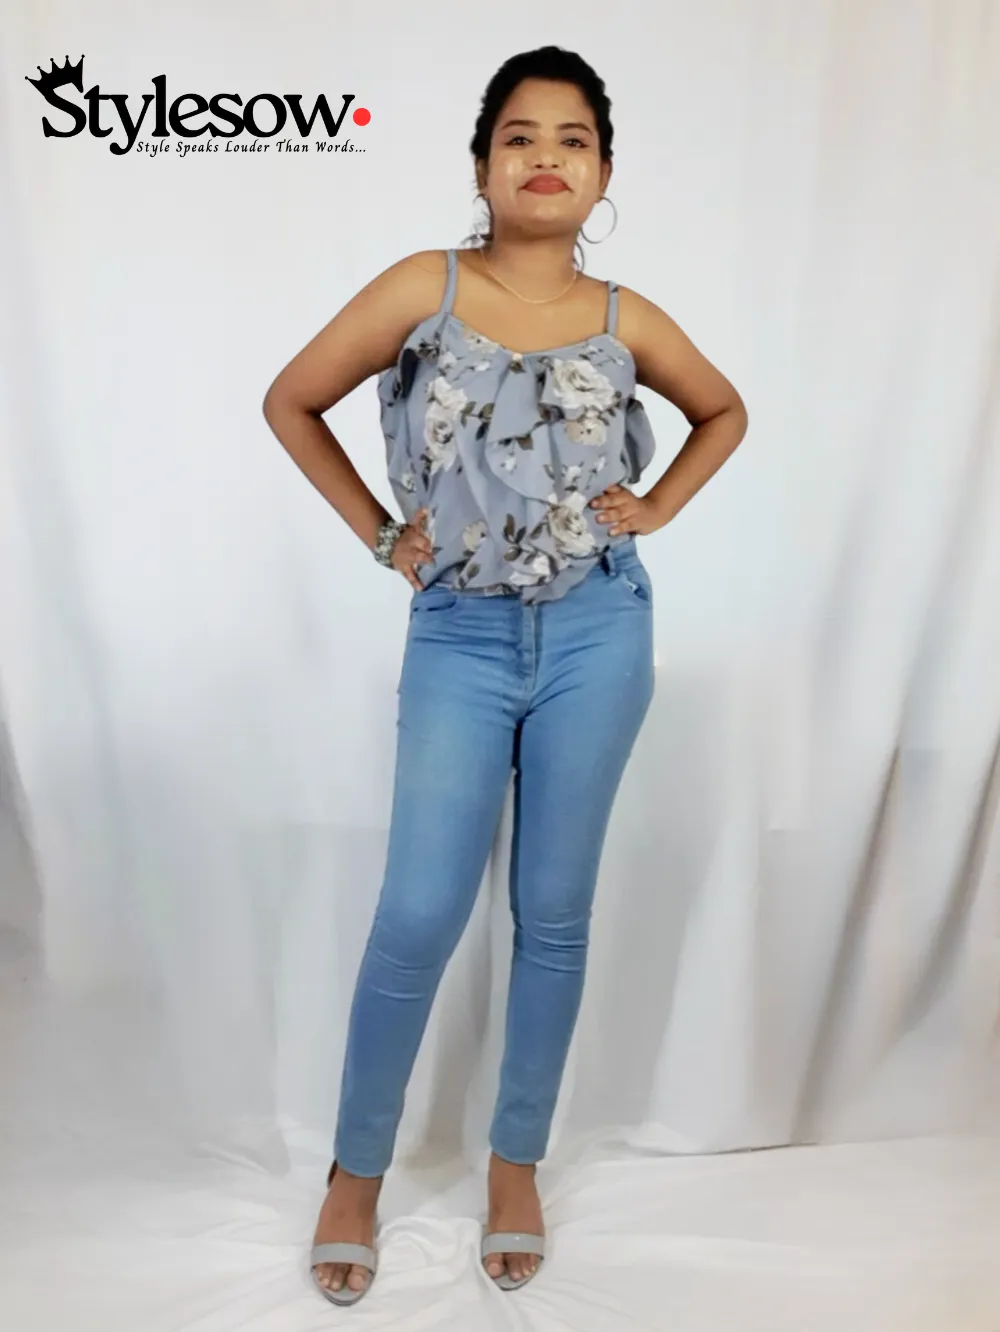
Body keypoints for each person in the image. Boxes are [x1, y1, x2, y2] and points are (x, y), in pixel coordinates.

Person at [262, 44, 747, 1307]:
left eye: (572, 139)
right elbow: (291, 400)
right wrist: (383, 536)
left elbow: (725, 412)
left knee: (554, 912)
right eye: (519, 136)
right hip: (460, 635)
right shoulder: (420, 288)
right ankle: (354, 1173)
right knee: (419, 911)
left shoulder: (627, 319)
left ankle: (515, 1163)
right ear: (482, 166)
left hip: (599, 631)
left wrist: (658, 507)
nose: (545, 157)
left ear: (603, 174)